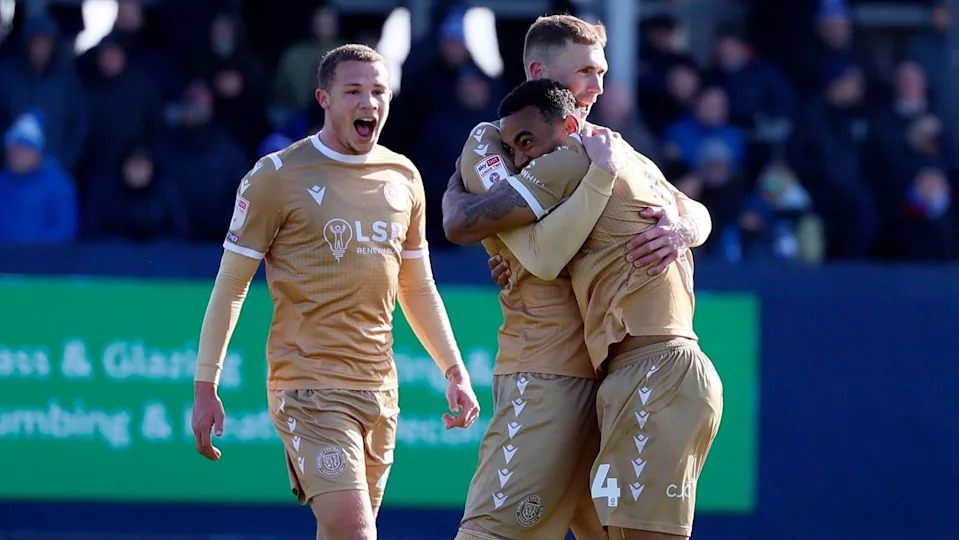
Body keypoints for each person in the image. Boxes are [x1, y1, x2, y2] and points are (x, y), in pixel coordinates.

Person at [190, 44, 481, 540]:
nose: (369, 102)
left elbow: (417, 285)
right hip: (308, 388)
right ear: (324, 98)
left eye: (378, 92)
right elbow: (231, 285)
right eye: (354, 92)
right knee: (357, 533)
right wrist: (205, 385)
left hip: (380, 391)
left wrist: (454, 370)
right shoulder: (277, 176)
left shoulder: (404, 177)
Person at [441, 15, 713, 540]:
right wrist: (458, 198)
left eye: (602, 73)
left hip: (613, 377)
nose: (598, 87)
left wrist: (681, 230)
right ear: (539, 72)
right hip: (547, 369)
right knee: (498, 531)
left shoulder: (605, 147)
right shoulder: (496, 138)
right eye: (585, 71)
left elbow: (694, 209)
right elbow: (504, 239)